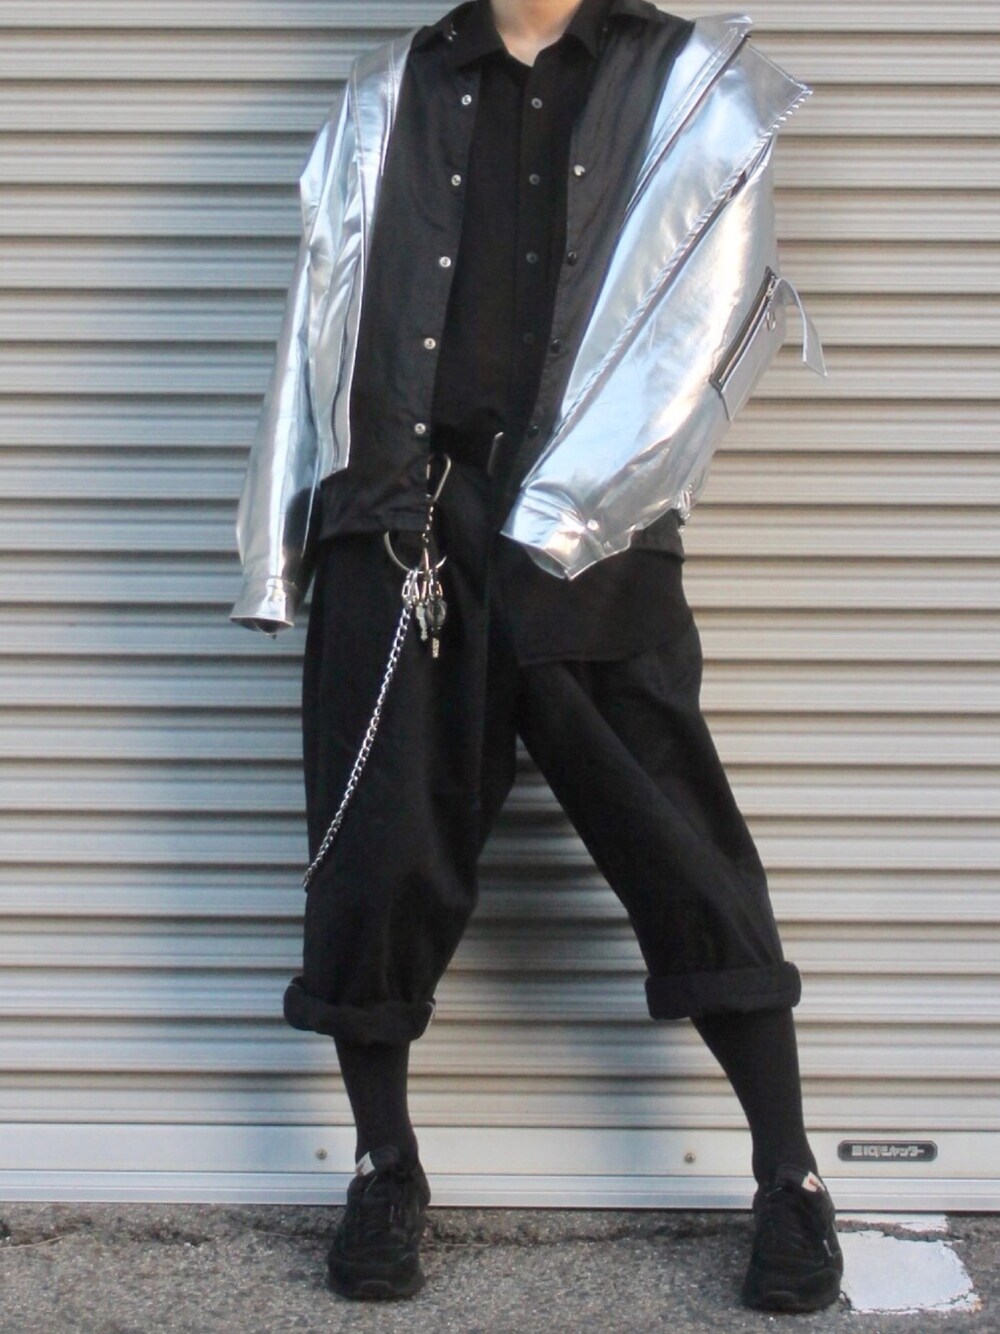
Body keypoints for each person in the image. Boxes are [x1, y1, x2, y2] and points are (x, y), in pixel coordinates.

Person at [231, 0, 843, 1313]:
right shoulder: (382, 93)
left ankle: (789, 1175)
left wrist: (575, 514)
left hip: (593, 526)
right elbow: (317, 323)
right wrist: (280, 547)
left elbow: (711, 321)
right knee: (374, 853)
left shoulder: (692, 82)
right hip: (400, 523)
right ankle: (385, 1168)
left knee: (680, 842)